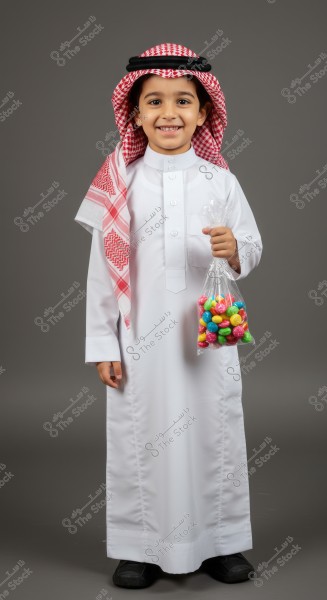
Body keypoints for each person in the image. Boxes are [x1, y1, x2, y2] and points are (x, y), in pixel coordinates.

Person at [74, 43, 263, 589]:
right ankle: (139, 547)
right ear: (134, 113)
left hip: (208, 336)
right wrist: (102, 345)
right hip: (141, 343)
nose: (169, 113)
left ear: (204, 113)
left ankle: (220, 543)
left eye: (183, 101)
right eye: (154, 101)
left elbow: (250, 245)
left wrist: (234, 249)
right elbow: (101, 273)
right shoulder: (121, 184)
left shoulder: (220, 181)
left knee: (215, 435)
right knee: (141, 438)